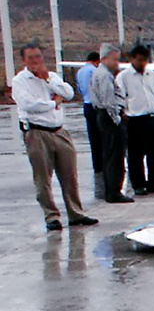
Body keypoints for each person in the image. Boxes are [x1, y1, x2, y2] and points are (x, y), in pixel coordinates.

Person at [11, 42, 97, 231]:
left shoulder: (51, 77)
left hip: (58, 130)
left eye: (38, 57)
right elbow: (30, 105)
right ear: (24, 60)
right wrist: (53, 103)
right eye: (31, 58)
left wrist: (49, 81)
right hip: (37, 132)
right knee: (43, 177)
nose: (36, 61)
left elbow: (68, 92)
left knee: (69, 175)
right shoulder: (19, 81)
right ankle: (51, 216)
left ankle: (76, 213)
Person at [118, 44, 154, 195]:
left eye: (145, 60)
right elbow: (119, 98)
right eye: (139, 60)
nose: (142, 63)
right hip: (135, 120)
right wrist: (123, 115)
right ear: (132, 59)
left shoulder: (151, 74)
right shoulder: (124, 77)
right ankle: (138, 184)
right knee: (135, 154)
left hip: (152, 118)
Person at [90, 43, 134, 204]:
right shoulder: (104, 75)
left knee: (111, 154)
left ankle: (112, 189)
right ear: (105, 58)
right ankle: (114, 191)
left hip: (105, 115)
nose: (117, 63)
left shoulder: (102, 73)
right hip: (109, 117)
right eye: (114, 59)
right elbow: (108, 99)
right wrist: (117, 118)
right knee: (115, 155)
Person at [75, 51, 104, 198]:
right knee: (102, 137)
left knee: (93, 138)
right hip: (95, 105)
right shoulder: (95, 71)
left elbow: (80, 89)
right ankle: (103, 164)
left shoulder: (80, 71)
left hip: (86, 104)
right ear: (97, 61)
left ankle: (96, 165)